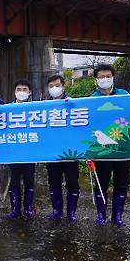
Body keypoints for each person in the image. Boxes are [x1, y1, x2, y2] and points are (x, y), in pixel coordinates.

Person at [88, 63, 130, 227]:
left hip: (122, 149)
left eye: (108, 76)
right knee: (101, 183)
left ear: (113, 78)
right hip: (102, 154)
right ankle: (101, 215)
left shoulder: (124, 95)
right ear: (96, 80)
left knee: (122, 183)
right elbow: (86, 125)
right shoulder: (90, 100)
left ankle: (117, 216)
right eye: (101, 77)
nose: (104, 79)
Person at [43, 74, 80, 222]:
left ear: (63, 87)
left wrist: (74, 106)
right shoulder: (42, 107)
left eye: (57, 86)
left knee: (72, 182)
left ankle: (71, 213)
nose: (54, 89)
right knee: (54, 182)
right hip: (52, 153)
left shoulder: (73, 103)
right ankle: (57, 211)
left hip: (70, 152)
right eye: (51, 86)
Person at [6, 79, 37, 219]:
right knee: (14, 181)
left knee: (30, 180)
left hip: (30, 152)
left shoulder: (37, 109)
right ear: (14, 92)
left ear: (30, 93)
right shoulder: (6, 109)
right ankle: (15, 209)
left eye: (25, 90)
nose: (22, 92)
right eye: (19, 89)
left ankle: (29, 208)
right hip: (13, 153)